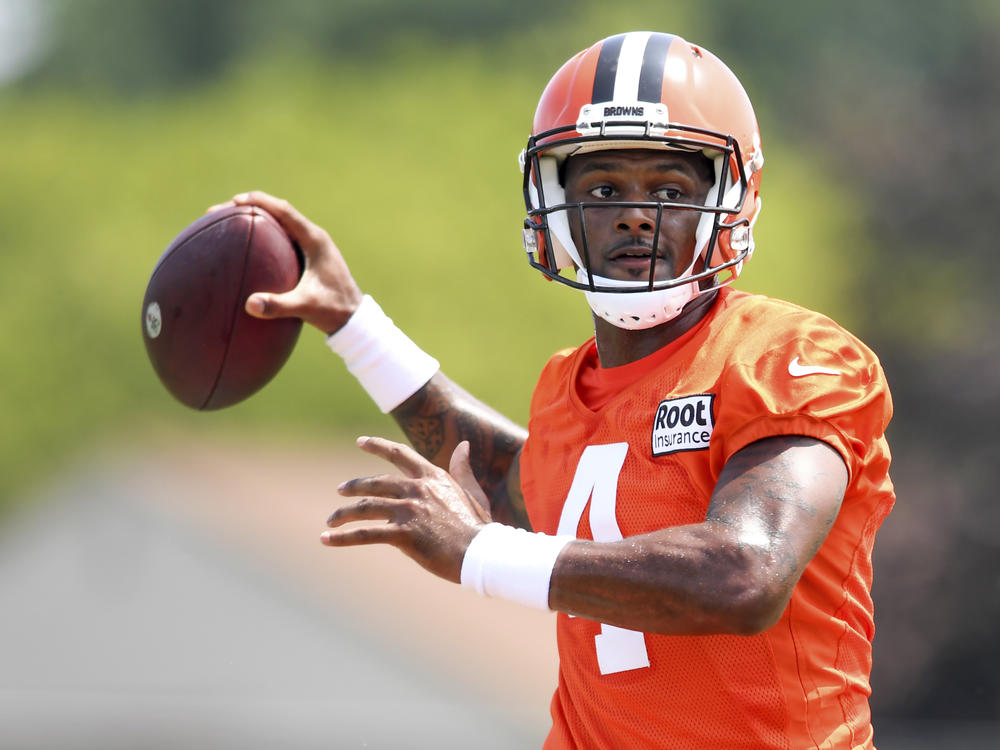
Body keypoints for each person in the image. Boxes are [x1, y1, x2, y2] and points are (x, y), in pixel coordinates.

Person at [216, 31, 895, 750]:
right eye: (604, 189)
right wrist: (355, 325)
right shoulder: (565, 387)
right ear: (553, 203)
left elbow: (746, 573)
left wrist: (480, 555)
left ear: (732, 198)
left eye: (669, 189)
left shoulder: (791, 355)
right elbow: (526, 491)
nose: (636, 214)